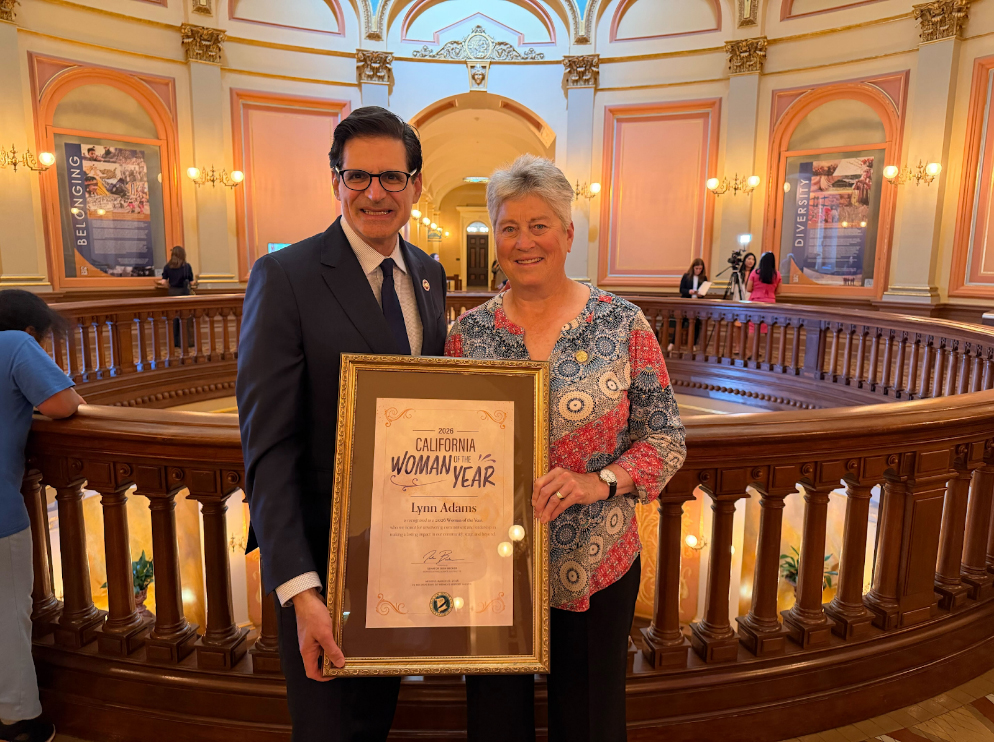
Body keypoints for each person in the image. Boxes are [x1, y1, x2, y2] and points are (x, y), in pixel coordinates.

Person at [444, 154, 687, 742]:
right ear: (494, 236)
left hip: (597, 563)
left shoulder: (623, 325)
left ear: (569, 234)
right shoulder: (466, 335)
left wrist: (599, 481)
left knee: (589, 723)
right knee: (495, 723)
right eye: (509, 227)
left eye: (540, 225)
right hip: (492, 569)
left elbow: (665, 438)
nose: (524, 242)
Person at [236, 106, 448, 742]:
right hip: (321, 568)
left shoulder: (429, 276)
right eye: (358, 177)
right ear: (336, 181)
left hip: (401, 560)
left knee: (374, 723)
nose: (374, 193)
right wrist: (301, 590)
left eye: (391, 177)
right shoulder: (286, 276)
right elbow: (269, 448)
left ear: (415, 185)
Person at [0, 290, 84, 742]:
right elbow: (63, 404)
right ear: (31, 331)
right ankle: (17, 722)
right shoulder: (14, 343)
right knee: (7, 616)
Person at [156, 246, 197, 349]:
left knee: (173, 319)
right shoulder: (186, 266)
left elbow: (163, 282)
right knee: (185, 318)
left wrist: (167, 285)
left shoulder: (167, 267)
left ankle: (174, 342)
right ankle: (186, 341)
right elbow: (191, 282)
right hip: (184, 294)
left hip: (172, 293)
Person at [673, 258, 707, 349]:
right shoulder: (686, 276)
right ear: (693, 268)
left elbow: (703, 292)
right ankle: (673, 343)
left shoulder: (703, 278)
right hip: (686, 303)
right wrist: (689, 291)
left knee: (696, 324)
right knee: (680, 323)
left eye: (700, 269)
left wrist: (701, 294)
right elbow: (681, 290)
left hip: (697, 304)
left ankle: (693, 344)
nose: (698, 271)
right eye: (697, 268)